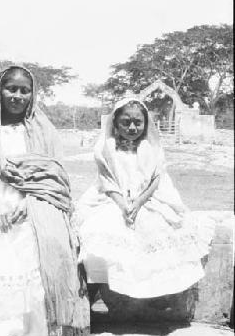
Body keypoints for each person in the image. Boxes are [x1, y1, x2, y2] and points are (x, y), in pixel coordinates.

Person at [0, 65, 90, 336]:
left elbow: (54, 179)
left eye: (24, 90)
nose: (17, 95)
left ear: (33, 94)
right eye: (11, 89)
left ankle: (43, 330)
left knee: (44, 243)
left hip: (38, 202)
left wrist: (30, 205)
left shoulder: (44, 130)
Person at [75, 98, 214, 300]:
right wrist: (123, 204)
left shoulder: (151, 148)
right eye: (126, 122)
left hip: (147, 199)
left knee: (159, 227)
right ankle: (96, 288)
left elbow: (156, 180)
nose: (132, 127)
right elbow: (107, 181)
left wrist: (139, 203)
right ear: (115, 123)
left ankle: (156, 293)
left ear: (146, 123)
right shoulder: (108, 148)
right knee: (98, 229)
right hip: (112, 199)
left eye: (138, 122)